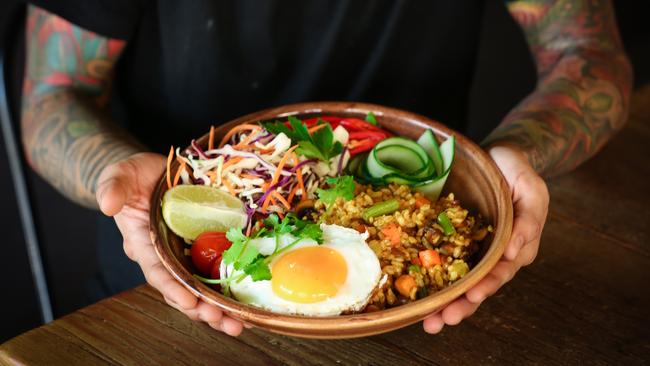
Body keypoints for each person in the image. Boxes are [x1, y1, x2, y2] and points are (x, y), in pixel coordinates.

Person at [20, 0, 631, 336]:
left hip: (423, 310)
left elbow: (588, 54)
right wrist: (116, 169)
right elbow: (51, 94)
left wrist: (516, 155)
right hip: (160, 279)